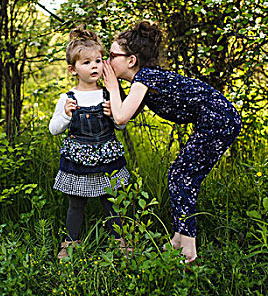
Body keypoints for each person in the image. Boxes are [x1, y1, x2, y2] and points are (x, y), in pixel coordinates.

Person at [102, 21, 241, 263]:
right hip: (219, 118)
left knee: (181, 175)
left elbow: (122, 115)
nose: (107, 61)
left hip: (218, 118)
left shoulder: (145, 77)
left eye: (112, 55)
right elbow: (121, 118)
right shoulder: (145, 81)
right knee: (182, 175)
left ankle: (188, 249)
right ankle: (179, 239)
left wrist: (113, 88)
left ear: (131, 60)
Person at [49, 25, 130, 259]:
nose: (94, 66)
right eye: (86, 62)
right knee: (76, 203)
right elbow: (54, 130)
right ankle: (70, 242)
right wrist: (65, 114)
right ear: (72, 69)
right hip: (78, 161)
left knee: (112, 202)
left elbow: (122, 125)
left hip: (107, 159)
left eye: (98, 60)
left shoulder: (109, 93)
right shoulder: (67, 98)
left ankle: (119, 241)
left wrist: (112, 115)